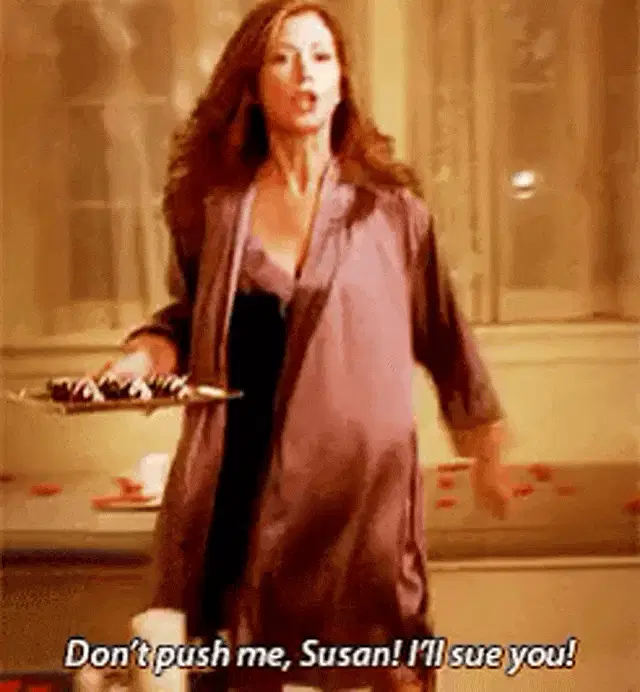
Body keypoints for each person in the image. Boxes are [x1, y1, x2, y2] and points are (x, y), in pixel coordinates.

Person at [99, 1, 511, 689]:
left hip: (360, 511)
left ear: (342, 81)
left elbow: (445, 333)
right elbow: (193, 321)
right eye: (283, 58)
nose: (304, 74)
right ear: (254, 84)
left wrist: (485, 443)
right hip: (240, 496)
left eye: (321, 57)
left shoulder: (392, 214)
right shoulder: (215, 212)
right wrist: (145, 353)